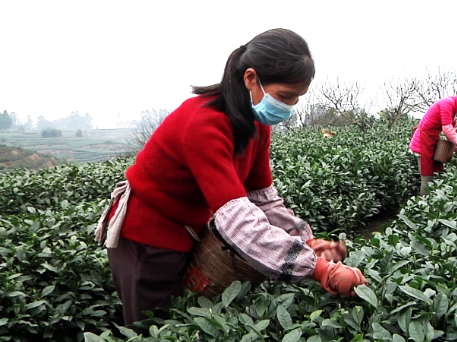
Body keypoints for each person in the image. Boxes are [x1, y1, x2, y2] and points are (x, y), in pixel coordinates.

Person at [94, 28, 367, 326]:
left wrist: (307, 241)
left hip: (190, 231)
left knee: (187, 322)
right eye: (285, 96)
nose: (289, 108)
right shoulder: (204, 124)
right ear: (251, 78)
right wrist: (319, 270)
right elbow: (238, 220)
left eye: (297, 99)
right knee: (155, 327)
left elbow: (263, 199)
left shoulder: (255, 123)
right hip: (147, 238)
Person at [408, 88, 457, 195]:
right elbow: (447, 130)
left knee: (435, 175)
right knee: (427, 178)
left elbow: (452, 131)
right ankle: (422, 206)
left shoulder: (454, 108)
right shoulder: (448, 104)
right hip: (422, 142)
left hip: (432, 140)